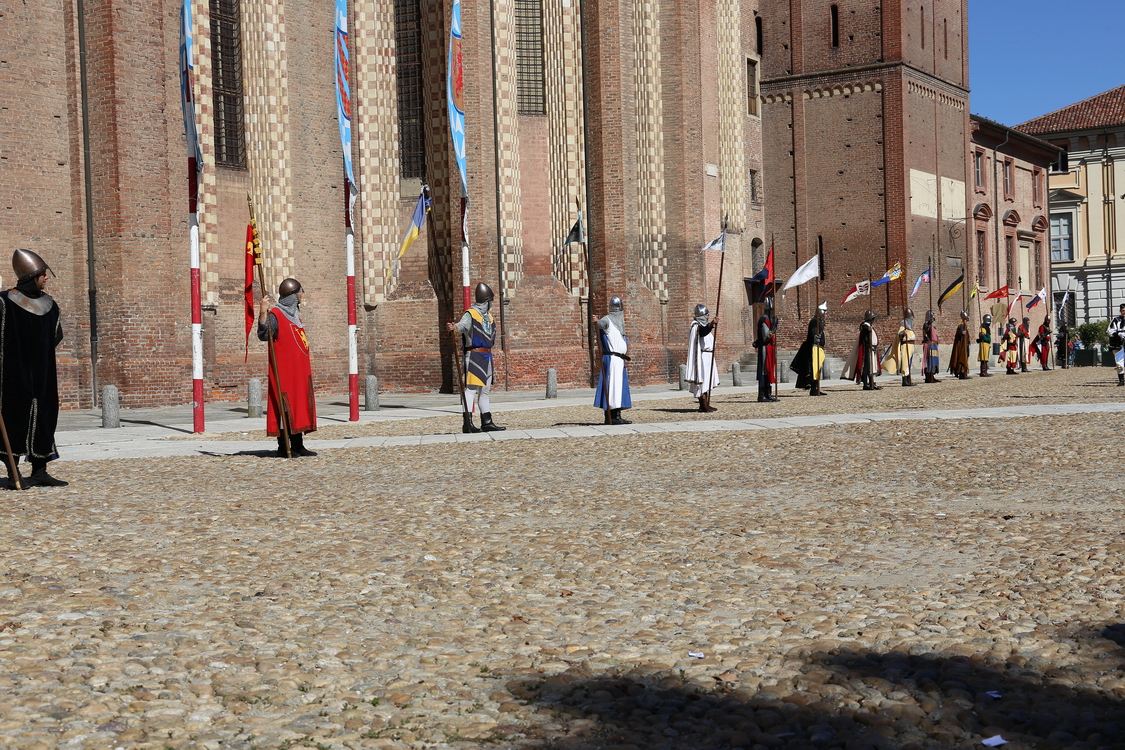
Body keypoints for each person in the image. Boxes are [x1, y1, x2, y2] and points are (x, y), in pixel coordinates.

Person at [0, 250, 66, 488]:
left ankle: (40, 471)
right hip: (12, 374)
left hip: (44, 372)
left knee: (45, 418)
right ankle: (13, 473)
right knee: (14, 418)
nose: (46, 278)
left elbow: (55, 336)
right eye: (43, 274)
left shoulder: (50, 305)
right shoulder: (4, 302)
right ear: (32, 276)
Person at [258, 278, 318, 456]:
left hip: (299, 371)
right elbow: (263, 335)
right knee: (285, 407)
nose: (302, 294)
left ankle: (298, 445)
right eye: (300, 291)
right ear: (292, 295)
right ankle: (284, 446)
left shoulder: (294, 315)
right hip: (285, 371)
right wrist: (262, 313)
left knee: (298, 406)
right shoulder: (275, 314)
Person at [447, 282, 506, 433]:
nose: (491, 304)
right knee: (471, 390)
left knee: (484, 391)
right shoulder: (471, 314)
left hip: (487, 356)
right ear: (486, 301)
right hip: (474, 355)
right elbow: (461, 326)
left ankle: (487, 422)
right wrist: (454, 328)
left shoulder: (489, 317)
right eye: (490, 301)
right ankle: (468, 423)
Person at [593, 295, 632, 424]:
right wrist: (596, 321)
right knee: (612, 387)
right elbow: (601, 324)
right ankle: (611, 416)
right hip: (612, 360)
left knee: (618, 388)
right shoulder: (608, 320)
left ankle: (617, 415)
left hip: (619, 360)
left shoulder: (619, 322)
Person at [686, 303, 719, 411]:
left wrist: (710, 325)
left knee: (707, 380)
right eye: (706, 314)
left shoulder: (702, 326)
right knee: (702, 380)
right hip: (701, 357)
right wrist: (711, 324)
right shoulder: (696, 325)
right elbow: (703, 332)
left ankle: (705, 404)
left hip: (708, 356)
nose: (708, 316)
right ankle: (703, 405)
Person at [791, 303, 828, 396]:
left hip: (819, 348)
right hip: (814, 348)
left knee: (817, 370)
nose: (826, 314)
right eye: (824, 312)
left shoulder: (819, 321)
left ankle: (816, 388)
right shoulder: (814, 321)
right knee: (814, 370)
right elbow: (814, 335)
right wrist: (817, 337)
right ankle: (814, 389)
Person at [842, 309, 881, 390]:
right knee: (866, 366)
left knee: (872, 367)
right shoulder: (865, 325)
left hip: (872, 349)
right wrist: (868, 329)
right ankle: (866, 384)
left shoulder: (870, 325)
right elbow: (864, 327)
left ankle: (872, 383)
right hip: (867, 348)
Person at [753, 297, 778, 403]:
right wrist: (774, 328)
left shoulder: (768, 319)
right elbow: (765, 336)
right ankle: (762, 395)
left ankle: (768, 394)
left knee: (769, 371)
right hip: (765, 349)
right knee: (764, 371)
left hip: (770, 348)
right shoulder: (764, 320)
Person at [885, 308, 916, 386]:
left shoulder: (909, 325)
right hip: (906, 346)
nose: (912, 318)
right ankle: (905, 380)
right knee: (905, 363)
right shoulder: (903, 324)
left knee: (909, 363)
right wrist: (903, 333)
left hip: (910, 346)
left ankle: (908, 380)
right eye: (911, 317)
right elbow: (899, 335)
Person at [949, 310, 971, 380]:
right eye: (967, 316)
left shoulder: (964, 324)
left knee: (965, 357)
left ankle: (964, 373)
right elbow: (960, 334)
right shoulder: (961, 325)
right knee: (962, 358)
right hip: (961, 345)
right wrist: (962, 333)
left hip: (964, 344)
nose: (968, 317)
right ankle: (962, 373)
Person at [922, 309, 941, 383]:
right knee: (929, 361)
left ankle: (932, 376)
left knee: (934, 361)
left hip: (934, 344)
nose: (933, 316)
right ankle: (929, 377)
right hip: (929, 344)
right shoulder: (926, 324)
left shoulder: (932, 326)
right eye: (932, 315)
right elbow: (926, 330)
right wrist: (929, 324)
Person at [1109, 303, 1125, 386]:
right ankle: (1121, 380)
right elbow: (1110, 331)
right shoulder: (1116, 320)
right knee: (1119, 362)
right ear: (1120, 311)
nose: (1124, 312)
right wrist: (1118, 334)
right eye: (1122, 310)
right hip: (1117, 343)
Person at [977, 313, 993, 377]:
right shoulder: (983, 327)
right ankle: (983, 372)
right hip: (983, 343)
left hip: (986, 344)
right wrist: (982, 336)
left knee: (985, 358)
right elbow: (981, 334)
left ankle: (985, 371)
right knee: (983, 358)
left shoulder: (986, 327)